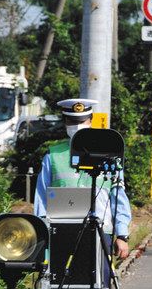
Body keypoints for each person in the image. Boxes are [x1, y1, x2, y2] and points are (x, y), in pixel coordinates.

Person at [34, 98, 132, 260]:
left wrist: (122, 235)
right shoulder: (53, 156)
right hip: (61, 232)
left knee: (101, 281)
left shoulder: (108, 155)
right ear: (65, 122)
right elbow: (41, 198)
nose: (77, 126)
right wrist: (41, 233)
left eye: (82, 121)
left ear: (91, 121)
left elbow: (118, 197)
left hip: (101, 231)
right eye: (73, 121)